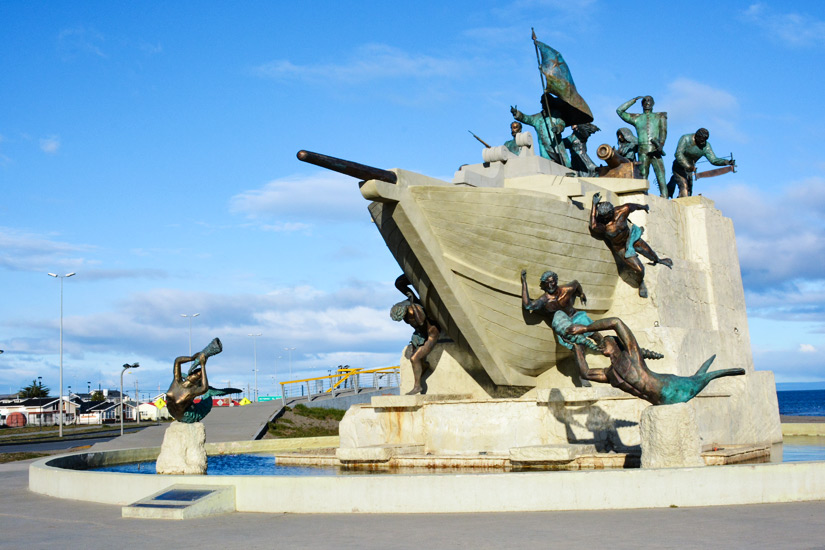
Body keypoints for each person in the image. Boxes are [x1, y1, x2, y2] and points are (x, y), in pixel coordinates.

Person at [566, 317, 745, 405]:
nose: (602, 343)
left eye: (606, 340)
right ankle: (707, 375)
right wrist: (577, 349)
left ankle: (720, 372)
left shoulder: (631, 355)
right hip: (659, 403)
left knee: (702, 378)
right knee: (700, 377)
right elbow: (586, 373)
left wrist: (585, 328)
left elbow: (615, 322)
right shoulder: (610, 373)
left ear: (615, 344)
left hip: (672, 389)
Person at [520, 269, 603, 386]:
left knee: (595, 333)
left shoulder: (566, 289)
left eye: (552, 282)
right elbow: (528, 305)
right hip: (564, 325)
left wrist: (581, 294)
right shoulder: (544, 300)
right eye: (547, 283)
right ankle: (583, 374)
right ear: (543, 285)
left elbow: (576, 284)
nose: (550, 285)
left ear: (556, 281)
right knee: (578, 347)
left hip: (576, 316)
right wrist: (524, 282)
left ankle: (609, 352)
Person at [589, 192, 672, 298]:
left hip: (632, 238)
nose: (603, 219)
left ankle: (659, 260)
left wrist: (644, 207)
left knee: (651, 254)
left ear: (612, 212)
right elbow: (593, 225)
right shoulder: (603, 226)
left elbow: (633, 206)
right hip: (621, 248)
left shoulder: (622, 211)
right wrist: (594, 205)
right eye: (602, 217)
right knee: (640, 269)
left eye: (605, 216)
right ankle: (640, 282)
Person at [165, 338, 240, 423]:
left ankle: (211, 393)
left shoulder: (190, 391)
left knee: (208, 392)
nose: (194, 374)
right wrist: (192, 358)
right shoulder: (177, 381)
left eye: (197, 375)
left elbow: (204, 388)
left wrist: (203, 366)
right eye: (194, 373)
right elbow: (177, 361)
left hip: (189, 416)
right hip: (175, 413)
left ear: (197, 381)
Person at [391, 275, 440, 395]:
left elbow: (421, 321)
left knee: (414, 358)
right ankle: (424, 366)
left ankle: (417, 386)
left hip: (431, 335)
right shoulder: (408, 304)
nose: (405, 320)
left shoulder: (416, 308)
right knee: (399, 283)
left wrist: (413, 306)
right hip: (420, 334)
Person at [617, 96, 668, 196]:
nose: (647, 103)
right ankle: (643, 195)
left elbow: (663, 132)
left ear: (653, 103)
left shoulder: (659, 117)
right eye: (645, 101)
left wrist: (661, 144)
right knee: (643, 175)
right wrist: (633, 100)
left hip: (655, 149)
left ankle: (665, 195)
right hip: (643, 150)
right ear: (642, 104)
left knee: (661, 175)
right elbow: (619, 111)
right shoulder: (637, 118)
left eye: (650, 101)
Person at [667, 128, 735, 198]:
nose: (703, 142)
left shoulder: (706, 146)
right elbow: (678, 154)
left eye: (705, 140)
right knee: (684, 188)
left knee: (689, 192)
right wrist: (688, 166)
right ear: (697, 136)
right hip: (679, 166)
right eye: (702, 140)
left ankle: (673, 192)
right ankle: (670, 192)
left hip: (689, 170)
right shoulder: (686, 138)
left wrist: (726, 162)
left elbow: (713, 160)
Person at [511, 96, 570, 167]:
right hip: (544, 148)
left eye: (545, 101)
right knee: (547, 166)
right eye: (542, 102)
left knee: (564, 166)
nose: (543, 103)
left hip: (556, 146)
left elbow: (561, 123)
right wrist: (517, 113)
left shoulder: (556, 114)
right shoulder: (538, 117)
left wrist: (557, 128)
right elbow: (527, 118)